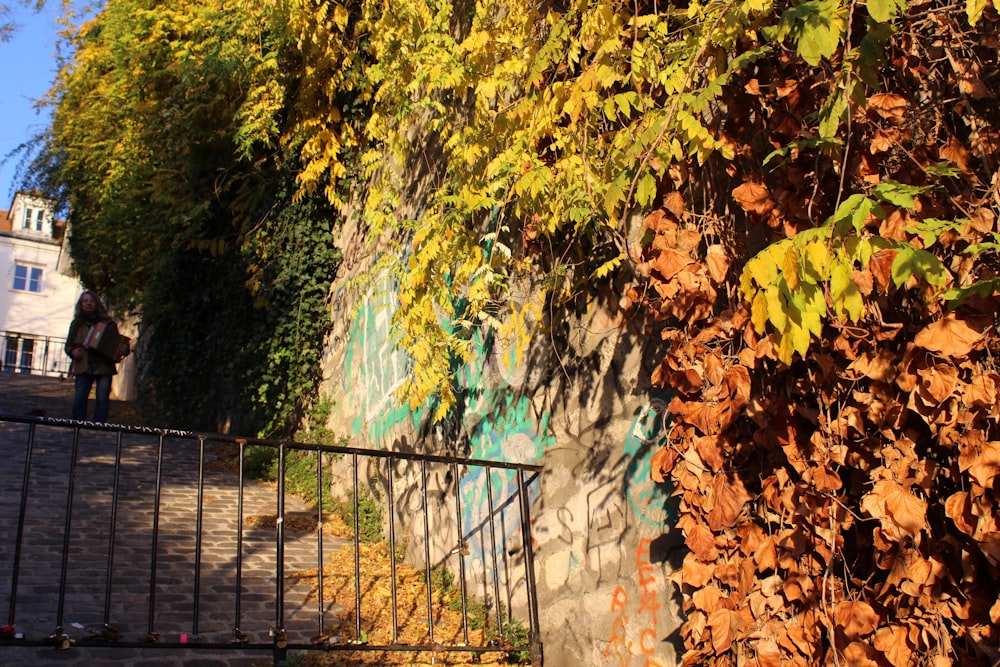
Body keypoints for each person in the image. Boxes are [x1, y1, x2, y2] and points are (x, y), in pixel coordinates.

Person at [65, 291, 130, 422]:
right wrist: (72, 352)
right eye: (85, 301)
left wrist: (124, 349)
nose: (88, 303)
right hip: (83, 364)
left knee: (102, 399)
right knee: (79, 398)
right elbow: (69, 345)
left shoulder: (108, 323)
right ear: (81, 304)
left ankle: (99, 426)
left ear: (96, 304)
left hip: (104, 365)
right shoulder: (77, 324)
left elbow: (117, 344)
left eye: (91, 301)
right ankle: (77, 424)